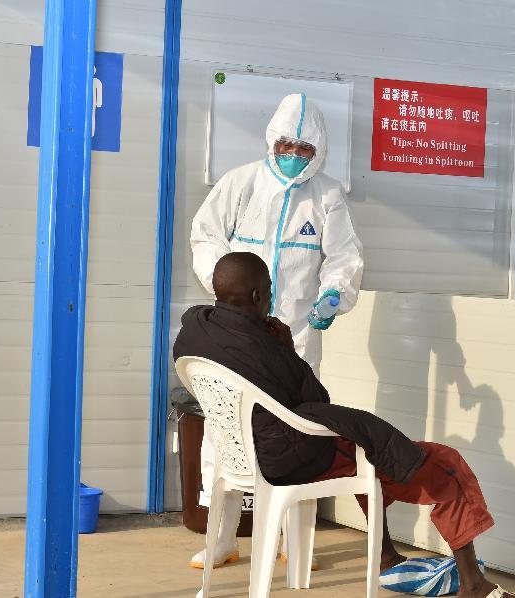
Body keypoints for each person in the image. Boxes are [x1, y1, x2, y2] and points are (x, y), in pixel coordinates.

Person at [173, 252, 515, 598]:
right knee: (442, 463)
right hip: (290, 458)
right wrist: (287, 348)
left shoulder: (193, 334)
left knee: (364, 449)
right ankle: (473, 584)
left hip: (242, 457)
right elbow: (316, 398)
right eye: (268, 290)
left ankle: (385, 557)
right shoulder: (264, 345)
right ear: (259, 296)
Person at [188, 93, 363, 568]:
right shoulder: (240, 183)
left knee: (300, 433)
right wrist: (227, 289)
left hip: (298, 340)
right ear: (272, 140)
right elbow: (205, 236)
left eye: (305, 149)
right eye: (286, 144)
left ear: (319, 151)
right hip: (238, 338)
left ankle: (293, 544)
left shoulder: (326, 195)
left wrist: (334, 296)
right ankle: (221, 539)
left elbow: (344, 257)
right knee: (225, 430)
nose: (294, 155)